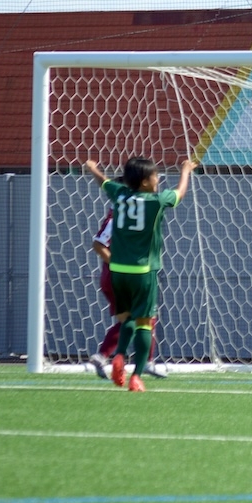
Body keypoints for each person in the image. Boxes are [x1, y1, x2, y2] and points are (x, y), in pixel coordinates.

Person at [85, 156, 195, 392]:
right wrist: (185, 171)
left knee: (126, 319)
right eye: (156, 176)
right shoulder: (156, 200)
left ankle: (119, 356)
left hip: (117, 272)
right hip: (143, 271)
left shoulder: (119, 196)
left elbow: (103, 182)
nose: (158, 180)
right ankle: (136, 376)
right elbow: (180, 193)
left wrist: (94, 168)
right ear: (146, 182)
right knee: (145, 323)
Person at [89, 202, 165, 380]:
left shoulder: (130, 217)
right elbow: (99, 244)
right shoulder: (117, 218)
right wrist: (118, 265)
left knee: (139, 318)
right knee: (140, 317)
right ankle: (113, 357)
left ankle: (135, 360)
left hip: (120, 277)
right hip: (118, 278)